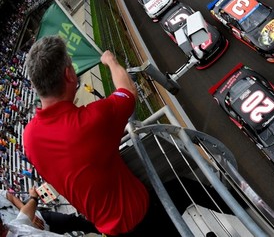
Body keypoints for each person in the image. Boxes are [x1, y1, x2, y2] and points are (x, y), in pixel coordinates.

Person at [23, 36, 179, 236]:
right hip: (139, 217)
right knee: (191, 189)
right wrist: (110, 61)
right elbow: (128, 91)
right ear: (69, 74)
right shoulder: (90, 121)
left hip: (109, 229)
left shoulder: (28, 137)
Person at [3, 187, 100, 237]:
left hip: (39, 219)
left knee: (74, 221)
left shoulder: (13, 226)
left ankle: (104, 230)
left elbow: (24, 215)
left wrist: (33, 198)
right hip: (34, 224)